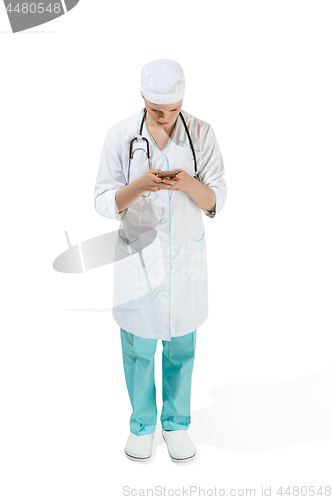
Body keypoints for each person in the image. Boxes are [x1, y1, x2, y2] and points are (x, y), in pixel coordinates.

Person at [93, 59, 228, 463]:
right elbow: (102, 201)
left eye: (172, 109)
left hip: (185, 261)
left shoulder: (202, 134)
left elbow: (218, 197)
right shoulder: (120, 136)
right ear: (142, 98)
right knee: (138, 348)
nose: (165, 117)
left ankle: (176, 424)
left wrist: (188, 182)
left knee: (181, 344)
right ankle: (142, 425)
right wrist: (139, 185)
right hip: (139, 263)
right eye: (156, 110)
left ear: (183, 100)